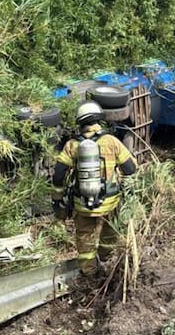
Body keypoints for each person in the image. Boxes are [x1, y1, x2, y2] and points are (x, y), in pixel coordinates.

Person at [51, 100, 137, 276]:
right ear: (99, 120)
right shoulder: (111, 141)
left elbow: (58, 174)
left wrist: (57, 199)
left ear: (80, 122)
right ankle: (106, 260)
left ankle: (90, 274)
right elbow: (130, 168)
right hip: (110, 203)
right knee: (110, 233)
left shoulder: (72, 145)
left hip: (82, 205)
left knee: (85, 241)